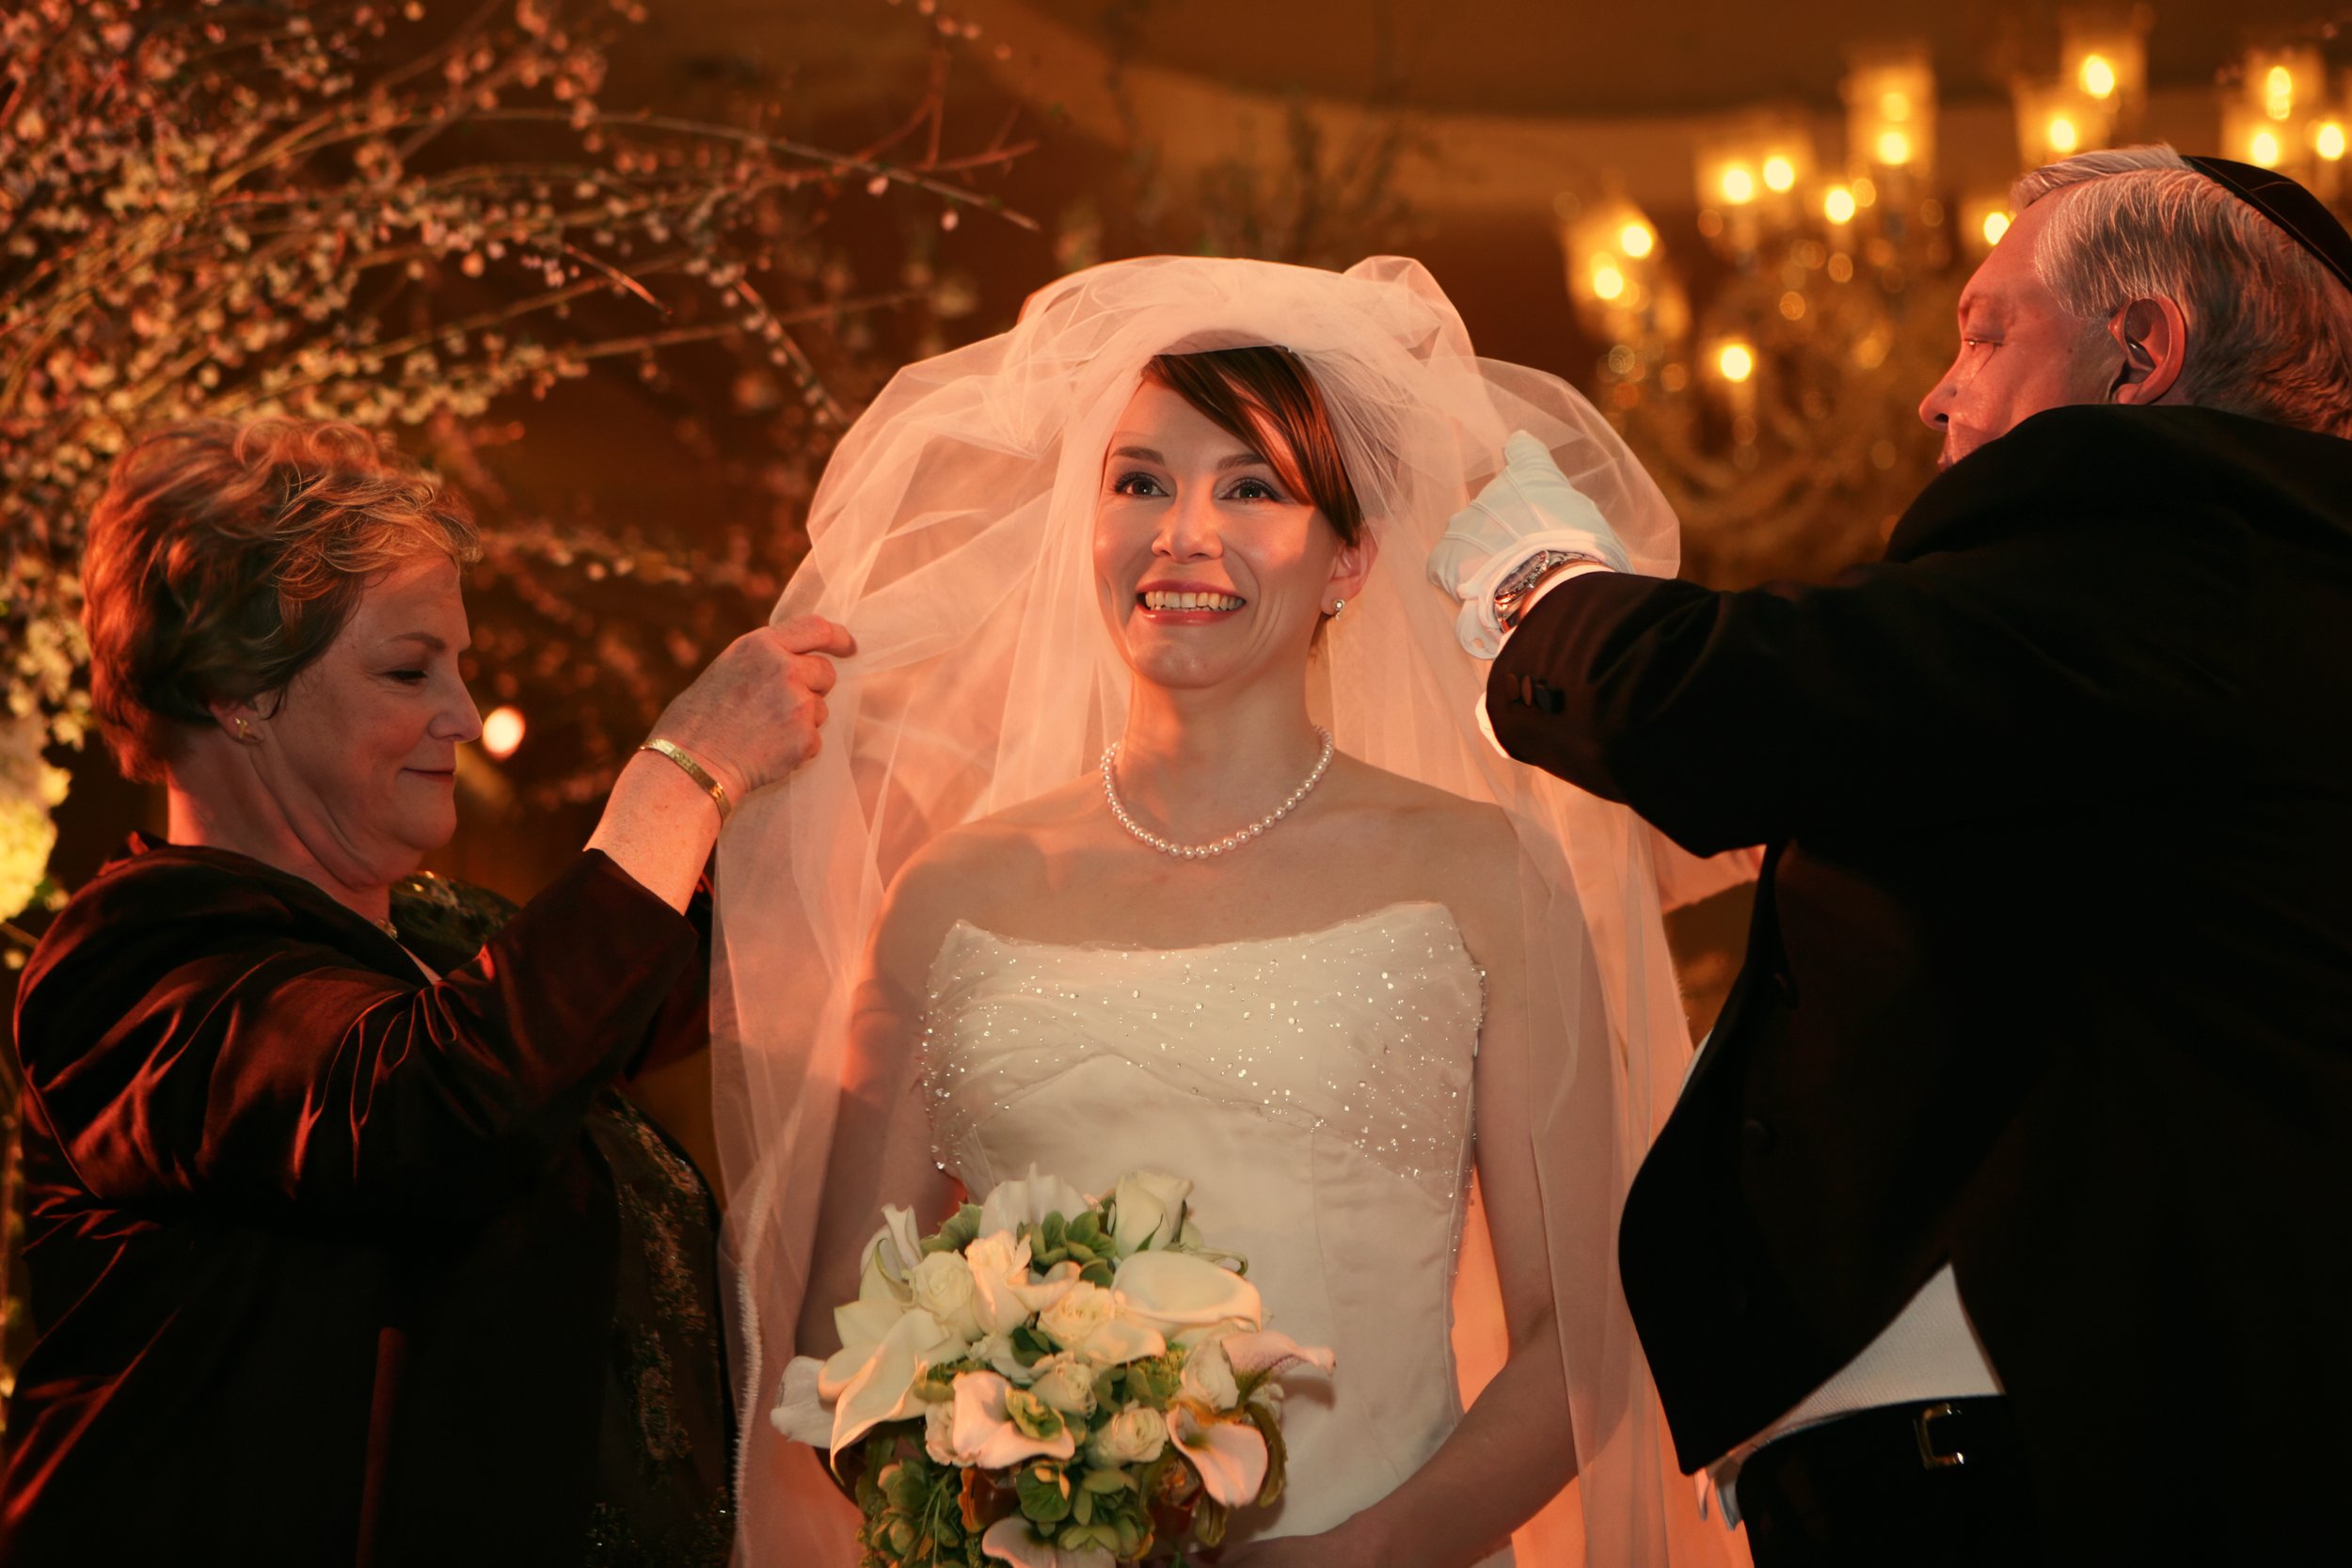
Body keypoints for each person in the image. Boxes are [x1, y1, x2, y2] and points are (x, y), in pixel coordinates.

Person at [711, 256, 1753, 1567]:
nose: (1181, 532)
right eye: (1139, 481)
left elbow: (1584, 1337)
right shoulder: (955, 895)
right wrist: (1040, 1496)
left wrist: (1373, 1548)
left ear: (1349, 559)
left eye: (1250, 488)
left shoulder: (1480, 872)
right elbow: (843, 1359)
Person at [1428, 146, 2352, 1564]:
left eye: (1988, 332)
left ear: (2141, 352)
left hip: (2082, 1468)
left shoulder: (2178, 548)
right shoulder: (2244, 600)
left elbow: (1728, 704)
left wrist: (1544, 587)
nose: (1935, 389)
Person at [3, 418, 851, 1563]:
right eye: (410, 669)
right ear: (238, 692)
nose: (459, 712)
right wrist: (681, 776)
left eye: (458, 664)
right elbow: (434, 1102)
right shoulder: (128, 969)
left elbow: (698, 963)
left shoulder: (446, 938)